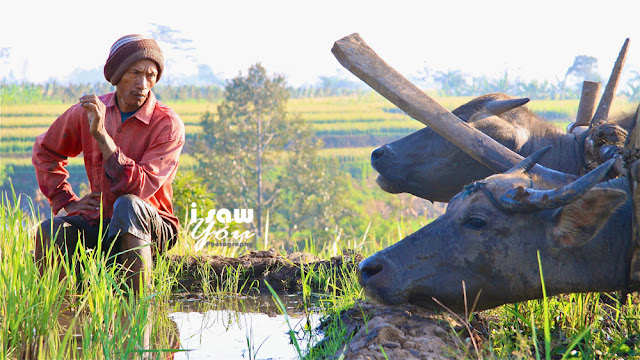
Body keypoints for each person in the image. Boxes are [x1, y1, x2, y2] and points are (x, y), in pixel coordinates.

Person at [32, 34, 185, 293]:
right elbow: (46, 151)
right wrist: (66, 201)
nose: (143, 83)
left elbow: (138, 189)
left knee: (128, 205)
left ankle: (138, 311)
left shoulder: (167, 124)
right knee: (50, 231)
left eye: (150, 75)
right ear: (116, 75)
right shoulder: (87, 111)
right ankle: (62, 313)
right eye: (134, 73)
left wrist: (102, 135)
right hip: (101, 218)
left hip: (152, 224)